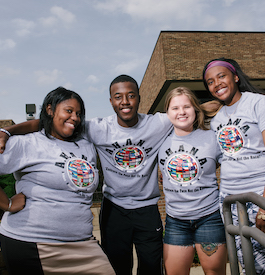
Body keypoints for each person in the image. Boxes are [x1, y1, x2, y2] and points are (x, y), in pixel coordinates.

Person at [0, 75, 173, 275]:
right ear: (111, 101)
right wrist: (7, 131)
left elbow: (187, 116)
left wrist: (167, 164)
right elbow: (45, 123)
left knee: (151, 268)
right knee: (118, 268)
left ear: (139, 98)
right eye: (118, 96)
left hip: (125, 219)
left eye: (79, 113)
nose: (74, 117)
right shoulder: (92, 130)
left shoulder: (87, 141)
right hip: (43, 236)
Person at [0, 87, 115, 275]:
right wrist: (7, 203)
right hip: (32, 242)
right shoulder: (29, 142)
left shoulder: (85, 145)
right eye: (68, 111)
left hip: (83, 244)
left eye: (78, 113)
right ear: (50, 110)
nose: (75, 118)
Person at [202, 57, 265, 274]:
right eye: (210, 81)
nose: (216, 83)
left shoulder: (258, 103)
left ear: (235, 77)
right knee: (246, 262)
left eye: (221, 76)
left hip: (260, 193)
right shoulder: (217, 118)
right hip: (230, 200)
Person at [158, 87, 227, 275]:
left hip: (209, 218)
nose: (181, 112)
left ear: (195, 110)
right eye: (175, 108)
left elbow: (231, 166)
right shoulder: (159, 141)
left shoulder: (212, 138)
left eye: (186, 106)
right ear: (167, 113)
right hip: (175, 221)